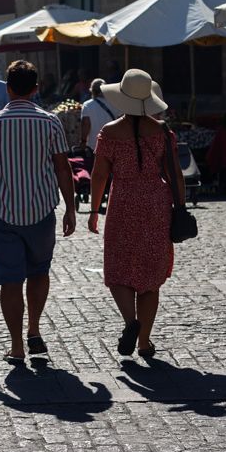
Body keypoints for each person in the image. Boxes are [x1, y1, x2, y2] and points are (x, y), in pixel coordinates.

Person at [0, 60, 79, 363]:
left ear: (9, 88)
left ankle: (16, 345)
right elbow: (62, 168)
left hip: (3, 212)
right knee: (39, 272)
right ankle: (34, 329)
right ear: (35, 88)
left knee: (10, 280)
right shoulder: (50, 122)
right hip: (41, 210)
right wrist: (70, 208)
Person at [87, 70, 181, 357]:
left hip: (123, 202)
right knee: (151, 276)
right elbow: (175, 173)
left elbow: (99, 174)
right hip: (156, 203)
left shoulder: (109, 133)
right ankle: (144, 341)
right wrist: (180, 207)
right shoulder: (163, 131)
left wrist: (94, 210)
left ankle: (131, 322)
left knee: (118, 269)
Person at [79, 77, 117, 164]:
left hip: (94, 144)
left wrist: (83, 141)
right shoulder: (114, 103)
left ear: (92, 91)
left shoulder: (87, 105)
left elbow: (86, 124)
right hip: (112, 143)